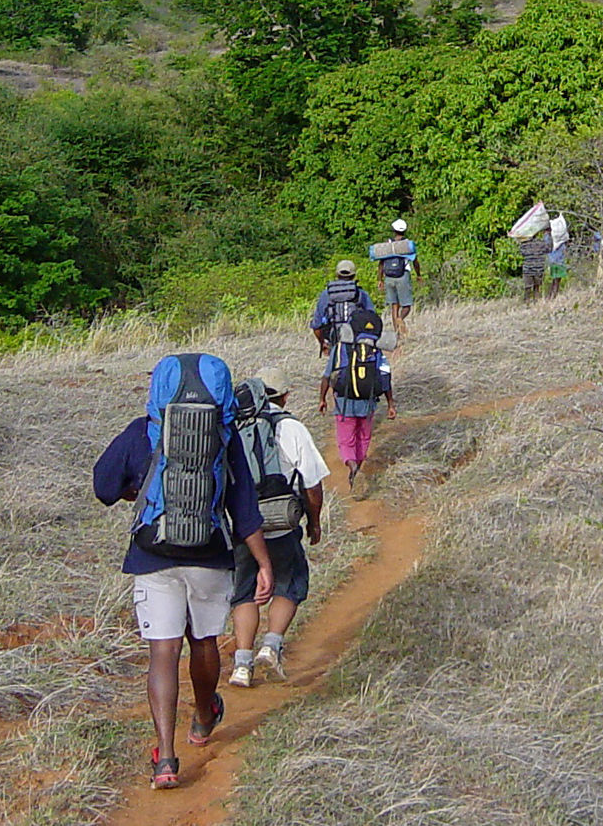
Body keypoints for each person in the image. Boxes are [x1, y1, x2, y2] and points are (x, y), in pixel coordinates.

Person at [93, 354, 274, 792]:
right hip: (209, 552)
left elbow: (103, 487)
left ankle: (166, 759)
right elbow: (244, 508)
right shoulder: (224, 436)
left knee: (163, 652)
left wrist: (140, 494)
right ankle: (204, 715)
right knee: (204, 641)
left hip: (153, 553)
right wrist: (264, 563)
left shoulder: (143, 432)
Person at [229, 368, 330, 689]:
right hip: (282, 522)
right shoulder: (291, 427)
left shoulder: (232, 426)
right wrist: (313, 522)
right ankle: (271, 646)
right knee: (291, 582)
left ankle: (241, 666)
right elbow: (312, 485)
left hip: (243, 525)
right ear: (283, 395)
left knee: (244, 592)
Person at [318, 325, 396, 490]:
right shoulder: (375, 351)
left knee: (346, 440)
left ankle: (352, 466)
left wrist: (322, 399)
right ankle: (358, 467)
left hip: (344, 404)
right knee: (363, 437)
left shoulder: (339, 349)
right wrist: (390, 404)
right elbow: (385, 377)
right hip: (368, 403)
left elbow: (326, 376)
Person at [309, 259, 375, 357]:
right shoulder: (361, 293)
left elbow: (316, 325)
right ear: (353, 275)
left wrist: (322, 343)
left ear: (337, 275)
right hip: (357, 338)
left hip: (334, 338)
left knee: (335, 367)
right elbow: (372, 318)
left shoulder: (326, 293)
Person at [368, 218, 421, 338]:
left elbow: (381, 264)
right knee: (406, 305)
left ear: (393, 230)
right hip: (403, 276)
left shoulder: (387, 245)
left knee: (394, 306)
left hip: (388, 278)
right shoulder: (407, 245)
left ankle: (397, 334)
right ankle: (400, 319)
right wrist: (418, 275)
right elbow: (415, 262)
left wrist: (380, 279)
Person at [518, 229, 551, 299]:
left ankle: (527, 302)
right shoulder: (541, 243)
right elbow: (549, 249)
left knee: (527, 287)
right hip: (538, 268)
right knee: (537, 287)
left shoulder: (524, 245)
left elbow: (520, 253)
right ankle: (536, 301)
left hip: (528, 269)